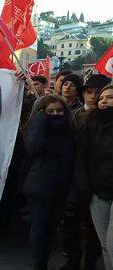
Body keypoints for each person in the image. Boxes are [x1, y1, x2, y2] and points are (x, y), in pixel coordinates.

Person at [61, 75, 111, 270]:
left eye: (99, 93)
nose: (95, 97)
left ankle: (89, 263)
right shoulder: (77, 115)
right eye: (90, 93)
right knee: (74, 227)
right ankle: (74, 262)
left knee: (99, 237)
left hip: (102, 187)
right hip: (82, 183)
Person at [24, 95, 76, 270]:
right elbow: (32, 147)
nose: (55, 114)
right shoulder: (37, 130)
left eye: (59, 111)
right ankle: (40, 266)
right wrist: (40, 119)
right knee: (39, 229)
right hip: (40, 189)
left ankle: (44, 261)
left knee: (52, 230)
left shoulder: (70, 130)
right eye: (50, 111)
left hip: (61, 189)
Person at [76, 84, 113, 270]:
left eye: (110, 97)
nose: (104, 101)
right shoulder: (89, 124)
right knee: (105, 245)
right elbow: (82, 158)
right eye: (101, 98)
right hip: (98, 193)